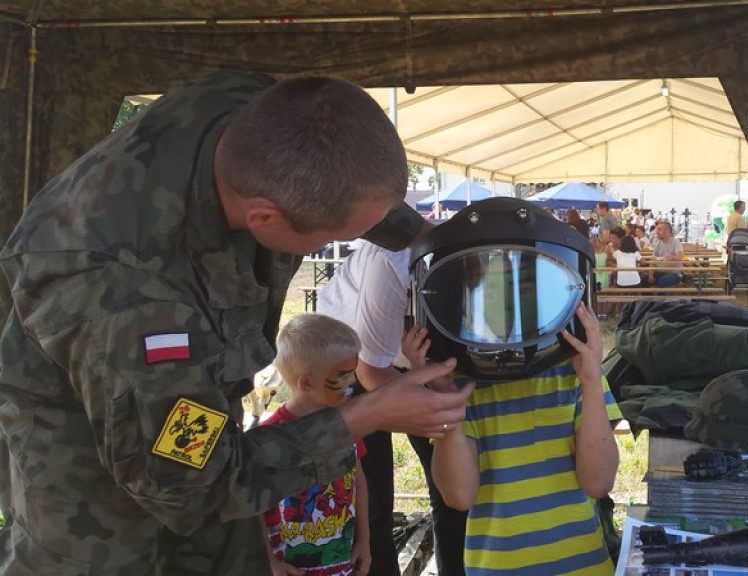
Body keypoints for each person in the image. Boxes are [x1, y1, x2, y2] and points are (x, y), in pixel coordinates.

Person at [0, 70, 473, 574]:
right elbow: (187, 485)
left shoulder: (261, 111)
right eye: (329, 239)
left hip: (196, 432)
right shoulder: (130, 299)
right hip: (96, 509)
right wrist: (365, 415)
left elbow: (341, 174)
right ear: (263, 218)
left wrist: (428, 239)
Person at [406, 197, 621, 574]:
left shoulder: (576, 373)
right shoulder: (460, 387)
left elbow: (598, 482)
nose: (508, 304)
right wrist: (445, 396)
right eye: (490, 289)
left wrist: (590, 382)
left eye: (524, 288)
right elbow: (458, 496)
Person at [318, 236, 468, 576]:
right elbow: (369, 371)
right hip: (345, 359)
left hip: (414, 363)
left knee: (452, 491)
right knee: (370, 493)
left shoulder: (485, 265)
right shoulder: (393, 258)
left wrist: (442, 414)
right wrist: (428, 413)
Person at [261, 314, 370, 576]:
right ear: (306, 383)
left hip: (342, 566)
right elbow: (253, 506)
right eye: (343, 375)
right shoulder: (268, 438)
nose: (352, 383)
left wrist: (364, 539)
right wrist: (269, 561)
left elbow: (358, 479)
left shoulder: (346, 426)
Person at [647, 220, 686, 287]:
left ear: (666, 231)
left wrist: (672, 257)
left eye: (659, 229)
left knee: (663, 281)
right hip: (659, 272)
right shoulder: (658, 243)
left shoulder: (675, 242)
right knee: (644, 279)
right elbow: (653, 260)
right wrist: (650, 275)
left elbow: (680, 256)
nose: (656, 231)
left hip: (674, 273)